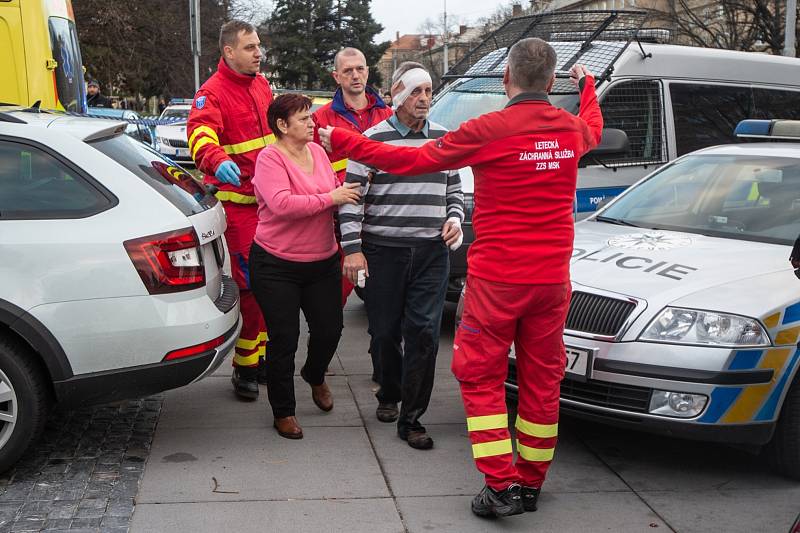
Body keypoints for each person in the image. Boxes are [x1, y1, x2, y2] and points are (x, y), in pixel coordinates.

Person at [319, 38, 603, 518]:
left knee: (480, 374)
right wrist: (589, 86)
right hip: (552, 282)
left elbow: (410, 161)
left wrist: (344, 141)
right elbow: (593, 126)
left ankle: (500, 486)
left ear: (506, 79)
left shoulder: (488, 129)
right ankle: (531, 483)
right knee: (541, 380)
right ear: (552, 83)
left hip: (497, 283)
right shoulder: (570, 128)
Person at [339, 61, 464, 450]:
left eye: (428, 91)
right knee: (386, 332)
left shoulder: (445, 139)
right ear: (396, 95)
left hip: (431, 252)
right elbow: (351, 199)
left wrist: (455, 219)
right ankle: (389, 392)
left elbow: (455, 191)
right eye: (415, 91)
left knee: (424, 334)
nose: (424, 98)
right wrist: (353, 249)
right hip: (384, 251)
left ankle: (412, 418)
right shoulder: (372, 139)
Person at [250, 94, 361, 439]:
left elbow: (334, 193)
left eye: (311, 117)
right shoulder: (269, 158)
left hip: (322, 261)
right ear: (282, 126)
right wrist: (332, 198)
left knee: (330, 329)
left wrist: (347, 202)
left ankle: (314, 374)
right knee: (285, 337)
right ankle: (283, 411)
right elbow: (282, 204)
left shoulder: (316, 152)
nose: (312, 123)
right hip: (276, 263)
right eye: (303, 119)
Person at [187, 20, 273, 400]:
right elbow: (200, 132)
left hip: (272, 206)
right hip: (241, 211)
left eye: (259, 47)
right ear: (229, 52)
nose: (259, 53)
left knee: (275, 287)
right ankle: (246, 367)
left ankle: (264, 356)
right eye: (251, 47)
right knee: (253, 289)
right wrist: (213, 157)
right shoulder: (212, 93)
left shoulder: (261, 84)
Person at [313, 47, 393, 306]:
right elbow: (310, 167)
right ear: (336, 76)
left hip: (382, 218)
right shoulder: (321, 119)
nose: (355, 75)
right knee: (333, 298)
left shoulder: (388, 115)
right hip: (340, 219)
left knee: (384, 298)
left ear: (368, 72)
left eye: (360, 69)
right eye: (348, 71)